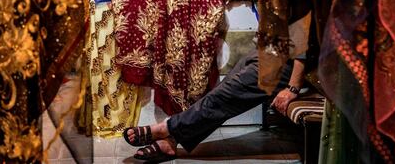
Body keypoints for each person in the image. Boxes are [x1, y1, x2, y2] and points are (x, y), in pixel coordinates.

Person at [121, 51, 308, 162]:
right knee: (224, 91)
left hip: (298, 63)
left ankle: (167, 128)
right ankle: (171, 140)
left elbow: (306, 35)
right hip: (278, 50)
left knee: (228, 94)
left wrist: (293, 87)